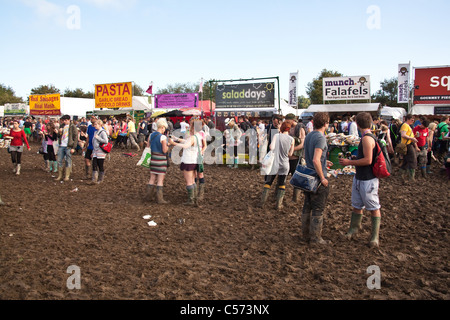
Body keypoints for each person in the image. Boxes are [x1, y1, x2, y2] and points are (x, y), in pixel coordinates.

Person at [339, 112, 382, 248]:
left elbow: (368, 160)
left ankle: (374, 237)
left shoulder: (366, 139)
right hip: (361, 177)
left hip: (368, 179)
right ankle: (354, 229)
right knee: (357, 205)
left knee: (373, 206)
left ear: (357, 124)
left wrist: (349, 163)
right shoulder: (368, 137)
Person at [300, 112, 333, 245]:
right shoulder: (321, 138)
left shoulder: (309, 136)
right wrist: (322, 177)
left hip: (308, 176)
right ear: (326, 123)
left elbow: (311, 156)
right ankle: (315, 238)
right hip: (317, 178)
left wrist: (325, 162)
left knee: (307, 206)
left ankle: (305, 235)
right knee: (318, 208)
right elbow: (316, 159)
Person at [260, 121, 295, 210]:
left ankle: (262, 203)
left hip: (275, 163)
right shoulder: (292, 139)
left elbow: (271, 147)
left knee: (268, 182)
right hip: (285, 164)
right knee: (282, 183)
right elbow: (290, 154)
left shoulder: (277, 136)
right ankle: (278, 205)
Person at [169, 119, 202, 206]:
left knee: (189, 181)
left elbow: (186, 145)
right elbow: (187, 142)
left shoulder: (192, 137)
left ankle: (190, 200)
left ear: (193, 127)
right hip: (194, 160)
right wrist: (177, 139)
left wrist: (173, 143)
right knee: (192, 181)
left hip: (188, 160)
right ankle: (194, 199)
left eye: (191, 125)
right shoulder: (198, 136)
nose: (189, 127)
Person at [144, 118, 170, 204]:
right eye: (164, 128)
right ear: (162, 127)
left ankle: (148, 196)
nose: (164, 130)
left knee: (152, 178)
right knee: (160, 180)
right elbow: (164, 150)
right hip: (161, 160)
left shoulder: (151, 135)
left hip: (153, 159)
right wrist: (168, 145)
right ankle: (160, 199)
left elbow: (147, 147)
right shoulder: (163, 137)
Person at [285, 114, 306, 203]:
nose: (287, 123)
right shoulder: (289, 128)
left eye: (288, 121)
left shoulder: (300, 128)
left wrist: (292, 150)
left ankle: (295, 198)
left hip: (296, 157)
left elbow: (302, 144)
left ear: (293, 120)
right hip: (287, 157)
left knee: (296, 177)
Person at [56, 115, 78, 182]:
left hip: (68, 146)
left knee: (68, 160)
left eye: (65, 120)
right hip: (62, 145)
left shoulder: (72, 126)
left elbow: (75, 137)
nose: (64, 122)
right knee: (59, 160)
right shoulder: (61, 126)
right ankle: (60, 175)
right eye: (63, 120)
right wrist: (59, 132)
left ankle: (67, 176)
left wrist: (74, 147)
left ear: (69, 120)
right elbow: (58, 136)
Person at [399, 114, 419, 181]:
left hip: (408, 144)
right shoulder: (405, 125)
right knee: (413, 160)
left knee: (406, 160)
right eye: (412, 120)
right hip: (407, 145)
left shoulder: (408, 126)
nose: (413, 121)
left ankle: (402, 175)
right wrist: (412, 138)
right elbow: (403, 135)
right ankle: (411, 178)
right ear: (408, 119)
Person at [90, 120, 109, 185]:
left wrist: (98, 138)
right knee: (94, 164)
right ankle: (94, 179)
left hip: (101, 152)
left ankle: (100, 179)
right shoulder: (96, 132)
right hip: (95, 151)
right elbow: (94, 143)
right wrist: (93, 152)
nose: (94, 126)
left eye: (96, 124)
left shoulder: (102, 132)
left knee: (100, 165)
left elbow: (106, 141)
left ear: (99, 125)